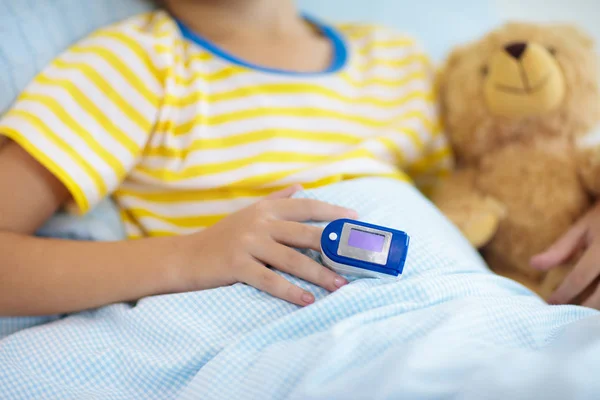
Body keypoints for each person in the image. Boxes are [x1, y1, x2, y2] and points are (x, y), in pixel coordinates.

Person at [0, 0, 597, 318]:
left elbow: (507, 190)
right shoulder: (132, 64)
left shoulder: (397, 62)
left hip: (459, 313)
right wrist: (194, 255)